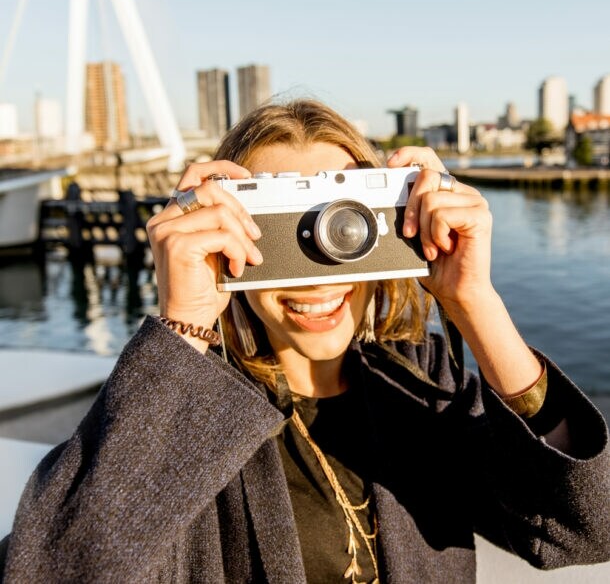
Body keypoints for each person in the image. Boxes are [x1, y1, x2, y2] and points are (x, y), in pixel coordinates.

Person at [1, 97, 609, 584]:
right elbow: (51, 569)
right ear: (223, 233)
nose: (322, 257)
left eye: (348, 221)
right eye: (283, 228)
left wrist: (475, 302)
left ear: (391, 221)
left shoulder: (421, 386)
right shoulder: (181, 419)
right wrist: (183, 326)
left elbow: (588, 529)